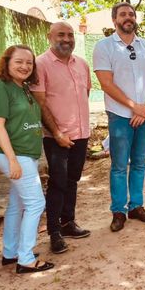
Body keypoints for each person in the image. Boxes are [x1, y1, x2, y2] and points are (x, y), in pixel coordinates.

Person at [93, 3, 145, 232]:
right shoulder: (104, 47)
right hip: (120, 116)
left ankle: (136, 206)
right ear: (114, 20)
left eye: (131, 14)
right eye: (122, 14)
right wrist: (134, 107)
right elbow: (106, 84)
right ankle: (118, 211)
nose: (128, 17)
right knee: (120, 165)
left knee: (140, 163)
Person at [0, 45, 54, 272]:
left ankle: (11, 252)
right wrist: (12, 160)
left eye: (29, 62)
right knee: (36, 203)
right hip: (15, 155)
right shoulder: (1, 88)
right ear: (6, 62)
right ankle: (26, 258)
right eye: (19, 61)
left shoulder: (23, 87)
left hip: (26, 154)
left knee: (18, 204)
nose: (25, 66)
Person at [30, 22, 91, 255]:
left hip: (80, 134)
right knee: (57, 182)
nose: (66, 39)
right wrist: (57, 133)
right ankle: (54, 232)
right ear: (49, 36)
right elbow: (40, 102)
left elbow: (84, 94)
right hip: (56, 136)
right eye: (61, 35)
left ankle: (68, 223)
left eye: (70, 35)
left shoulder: (82, 64)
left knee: (72, 179)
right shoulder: (40, 64)